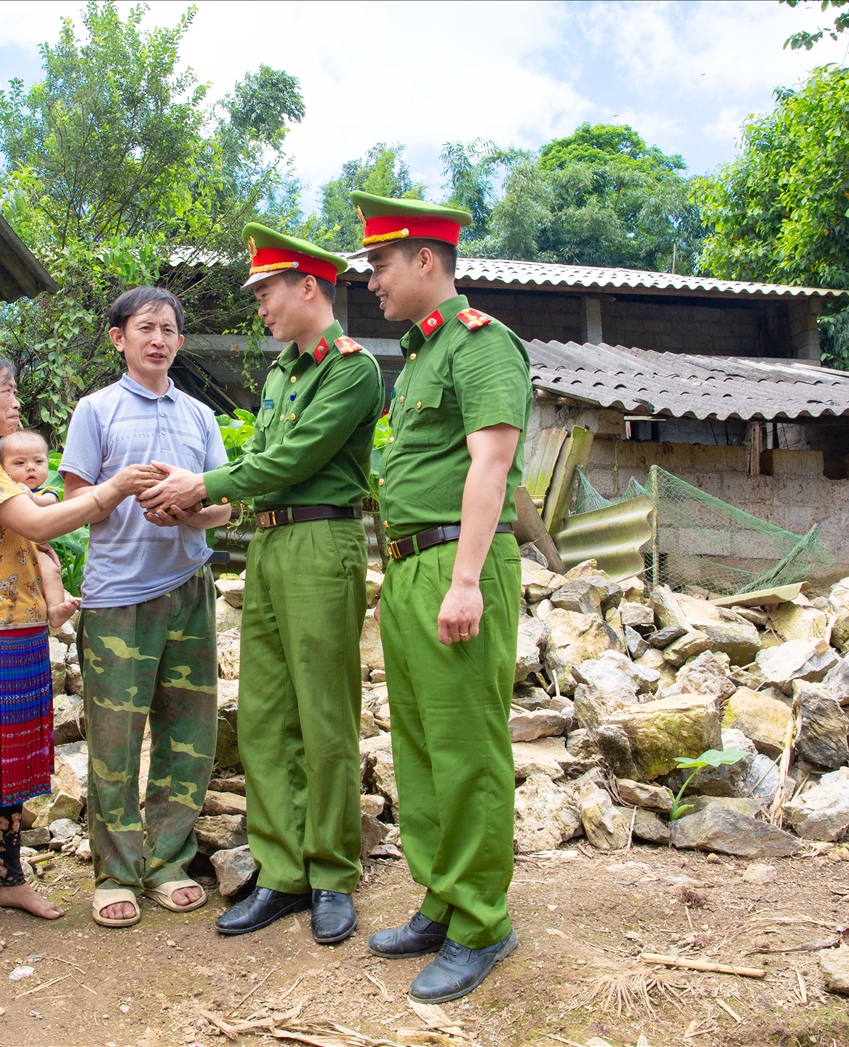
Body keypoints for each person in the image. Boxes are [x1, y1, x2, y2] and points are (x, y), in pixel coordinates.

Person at [139, 225, 383, 946]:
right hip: (270, 545)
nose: (261, 308)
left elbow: (296, 458)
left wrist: (203, 483)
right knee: (267, 714)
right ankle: (281, 872)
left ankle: (333, 872)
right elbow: (268, 467)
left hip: (320, 539)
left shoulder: (351, 368)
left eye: (267, 292)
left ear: (309, 287)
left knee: (324, 711)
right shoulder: (280, 374)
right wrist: (200, 495)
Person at [0, 350, 161, 954]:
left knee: (6, 766)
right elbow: (39, 526)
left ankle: (5, 879)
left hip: (14, 631)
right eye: (8, 390)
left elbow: (29, 515)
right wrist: (117, 487)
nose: (17, 400)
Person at [351, 191, 529, 1003]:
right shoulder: (419, 356)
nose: (373, 282)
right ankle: (443, 897)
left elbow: (490, 466)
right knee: (421, 746)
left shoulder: (483, 347)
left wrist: (464, 578)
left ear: (427, 260)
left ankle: (483, 922)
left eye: (381, 265)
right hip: (410, 567)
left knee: (466, 747)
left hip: (458, 563)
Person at [57, 286, 232, 928]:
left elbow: (224, 506)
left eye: (168, 329)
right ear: (118, 338)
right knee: (114, 737)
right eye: (144, 328)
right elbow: (75, 505)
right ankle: (116, 871)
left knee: (188, 733)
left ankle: (168, 860)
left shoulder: (200, 417)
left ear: (181, 341)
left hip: (189, 587)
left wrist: (190, 506)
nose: (157, 339)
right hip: (118, 596)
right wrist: (123, 491)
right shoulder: (94, 411)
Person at [0, 429, 77, 629]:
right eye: (20, 463)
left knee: (51, 570)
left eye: (38, 462)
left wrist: (32, 498)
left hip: (34, 549)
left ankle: (56, 608)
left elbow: (50, 503)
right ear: (1, 468)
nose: (30, 468)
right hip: (1, 550)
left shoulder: (46, 491)